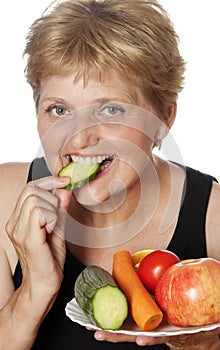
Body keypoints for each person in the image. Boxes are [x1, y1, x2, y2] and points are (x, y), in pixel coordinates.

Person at [0, 0, 219, 349]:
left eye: (111, 109)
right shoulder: (4, 197)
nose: (78, 137)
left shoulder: (212, 217)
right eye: (59, 109)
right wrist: (33, 294)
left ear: (164, 119)